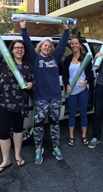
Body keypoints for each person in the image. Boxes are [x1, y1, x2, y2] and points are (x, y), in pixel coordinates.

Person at [0, 20, 34, 174]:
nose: (19, 49)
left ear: (24, 51)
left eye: (21, 47)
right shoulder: (4, 60)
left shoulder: (28, 66)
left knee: (18, 129)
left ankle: (17, 155)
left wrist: (31, 85)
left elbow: (33, 81)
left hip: (20, 103)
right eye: (16, 47)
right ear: (11, 50)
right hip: (5, 102)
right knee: (4, 131)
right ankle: (6, 160)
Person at [19, 19, 69, 164]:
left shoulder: (54, 58)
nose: (47, 47)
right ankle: (38, 149)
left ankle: (55, 147)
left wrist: (66, 30)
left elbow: (62, 46)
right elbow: (27, 43)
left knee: (54, 123)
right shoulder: (35, 58)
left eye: (49, 46)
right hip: (40, 97)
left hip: (55, 97)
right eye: (45, 45)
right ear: (40, 47)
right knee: (39, 124)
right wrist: (23, 27)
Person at [62, 36, 93, 147]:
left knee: (84, 113)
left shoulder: (86, 59)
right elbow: (65, 75)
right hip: (71, 90)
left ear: (80, 45)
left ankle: (84, 136)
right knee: (72, 114)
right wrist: (67, 85)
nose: (74, 45)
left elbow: (90, 74)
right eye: (72, 43)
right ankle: (71, 137)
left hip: (83, 89)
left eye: (76, 43)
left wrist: (86, 82)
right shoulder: (67, 59)